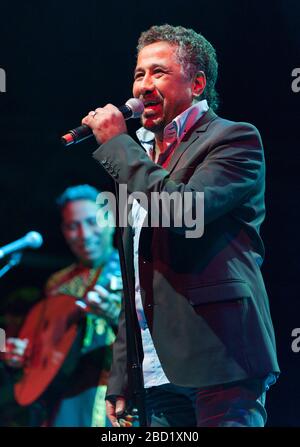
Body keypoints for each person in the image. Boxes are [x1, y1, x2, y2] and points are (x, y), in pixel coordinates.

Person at [82, 24, 280, 427]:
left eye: (159, 72)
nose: (144, 85)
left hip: (220, 358)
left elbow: (182, 211)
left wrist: (118, 146)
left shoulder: (233, 140)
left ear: (197, 84)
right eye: (139, 74)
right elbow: (136, 281)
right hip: (155, 373)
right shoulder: (141, 161)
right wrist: (124, 369)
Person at [5, 185, 122, 426]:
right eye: (72, 226)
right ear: (64, 231)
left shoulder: (132, 268)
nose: (84, 234)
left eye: (92, 222)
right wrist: (21, 355)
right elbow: (44, 344)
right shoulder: (58, 283)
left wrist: (115, 316)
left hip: (114, 392)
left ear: (110, 219)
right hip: (63, 395)